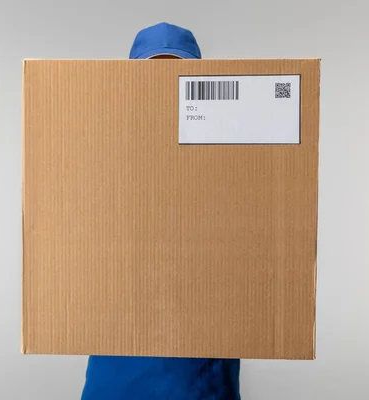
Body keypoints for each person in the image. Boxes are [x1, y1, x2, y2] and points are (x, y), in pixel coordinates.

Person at [79, 22, 241, 400]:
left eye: (178, 75)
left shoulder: (231, 157)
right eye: (153, 75)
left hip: (199, 348)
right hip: (119, 339)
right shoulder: (103, 151)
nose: (165, 88)